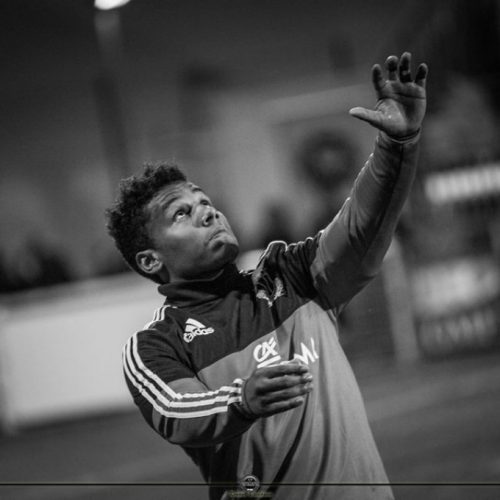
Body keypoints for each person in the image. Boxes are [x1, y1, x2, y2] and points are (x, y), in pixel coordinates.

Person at [106, 52, 427, 500]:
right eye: (181, 213)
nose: (207, 212)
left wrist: (397, 144)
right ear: (149, 260)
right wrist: (241, 401)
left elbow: (361, 225)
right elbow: (176, 411)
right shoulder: (157, 345)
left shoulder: (291, 274)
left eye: (204, 201)